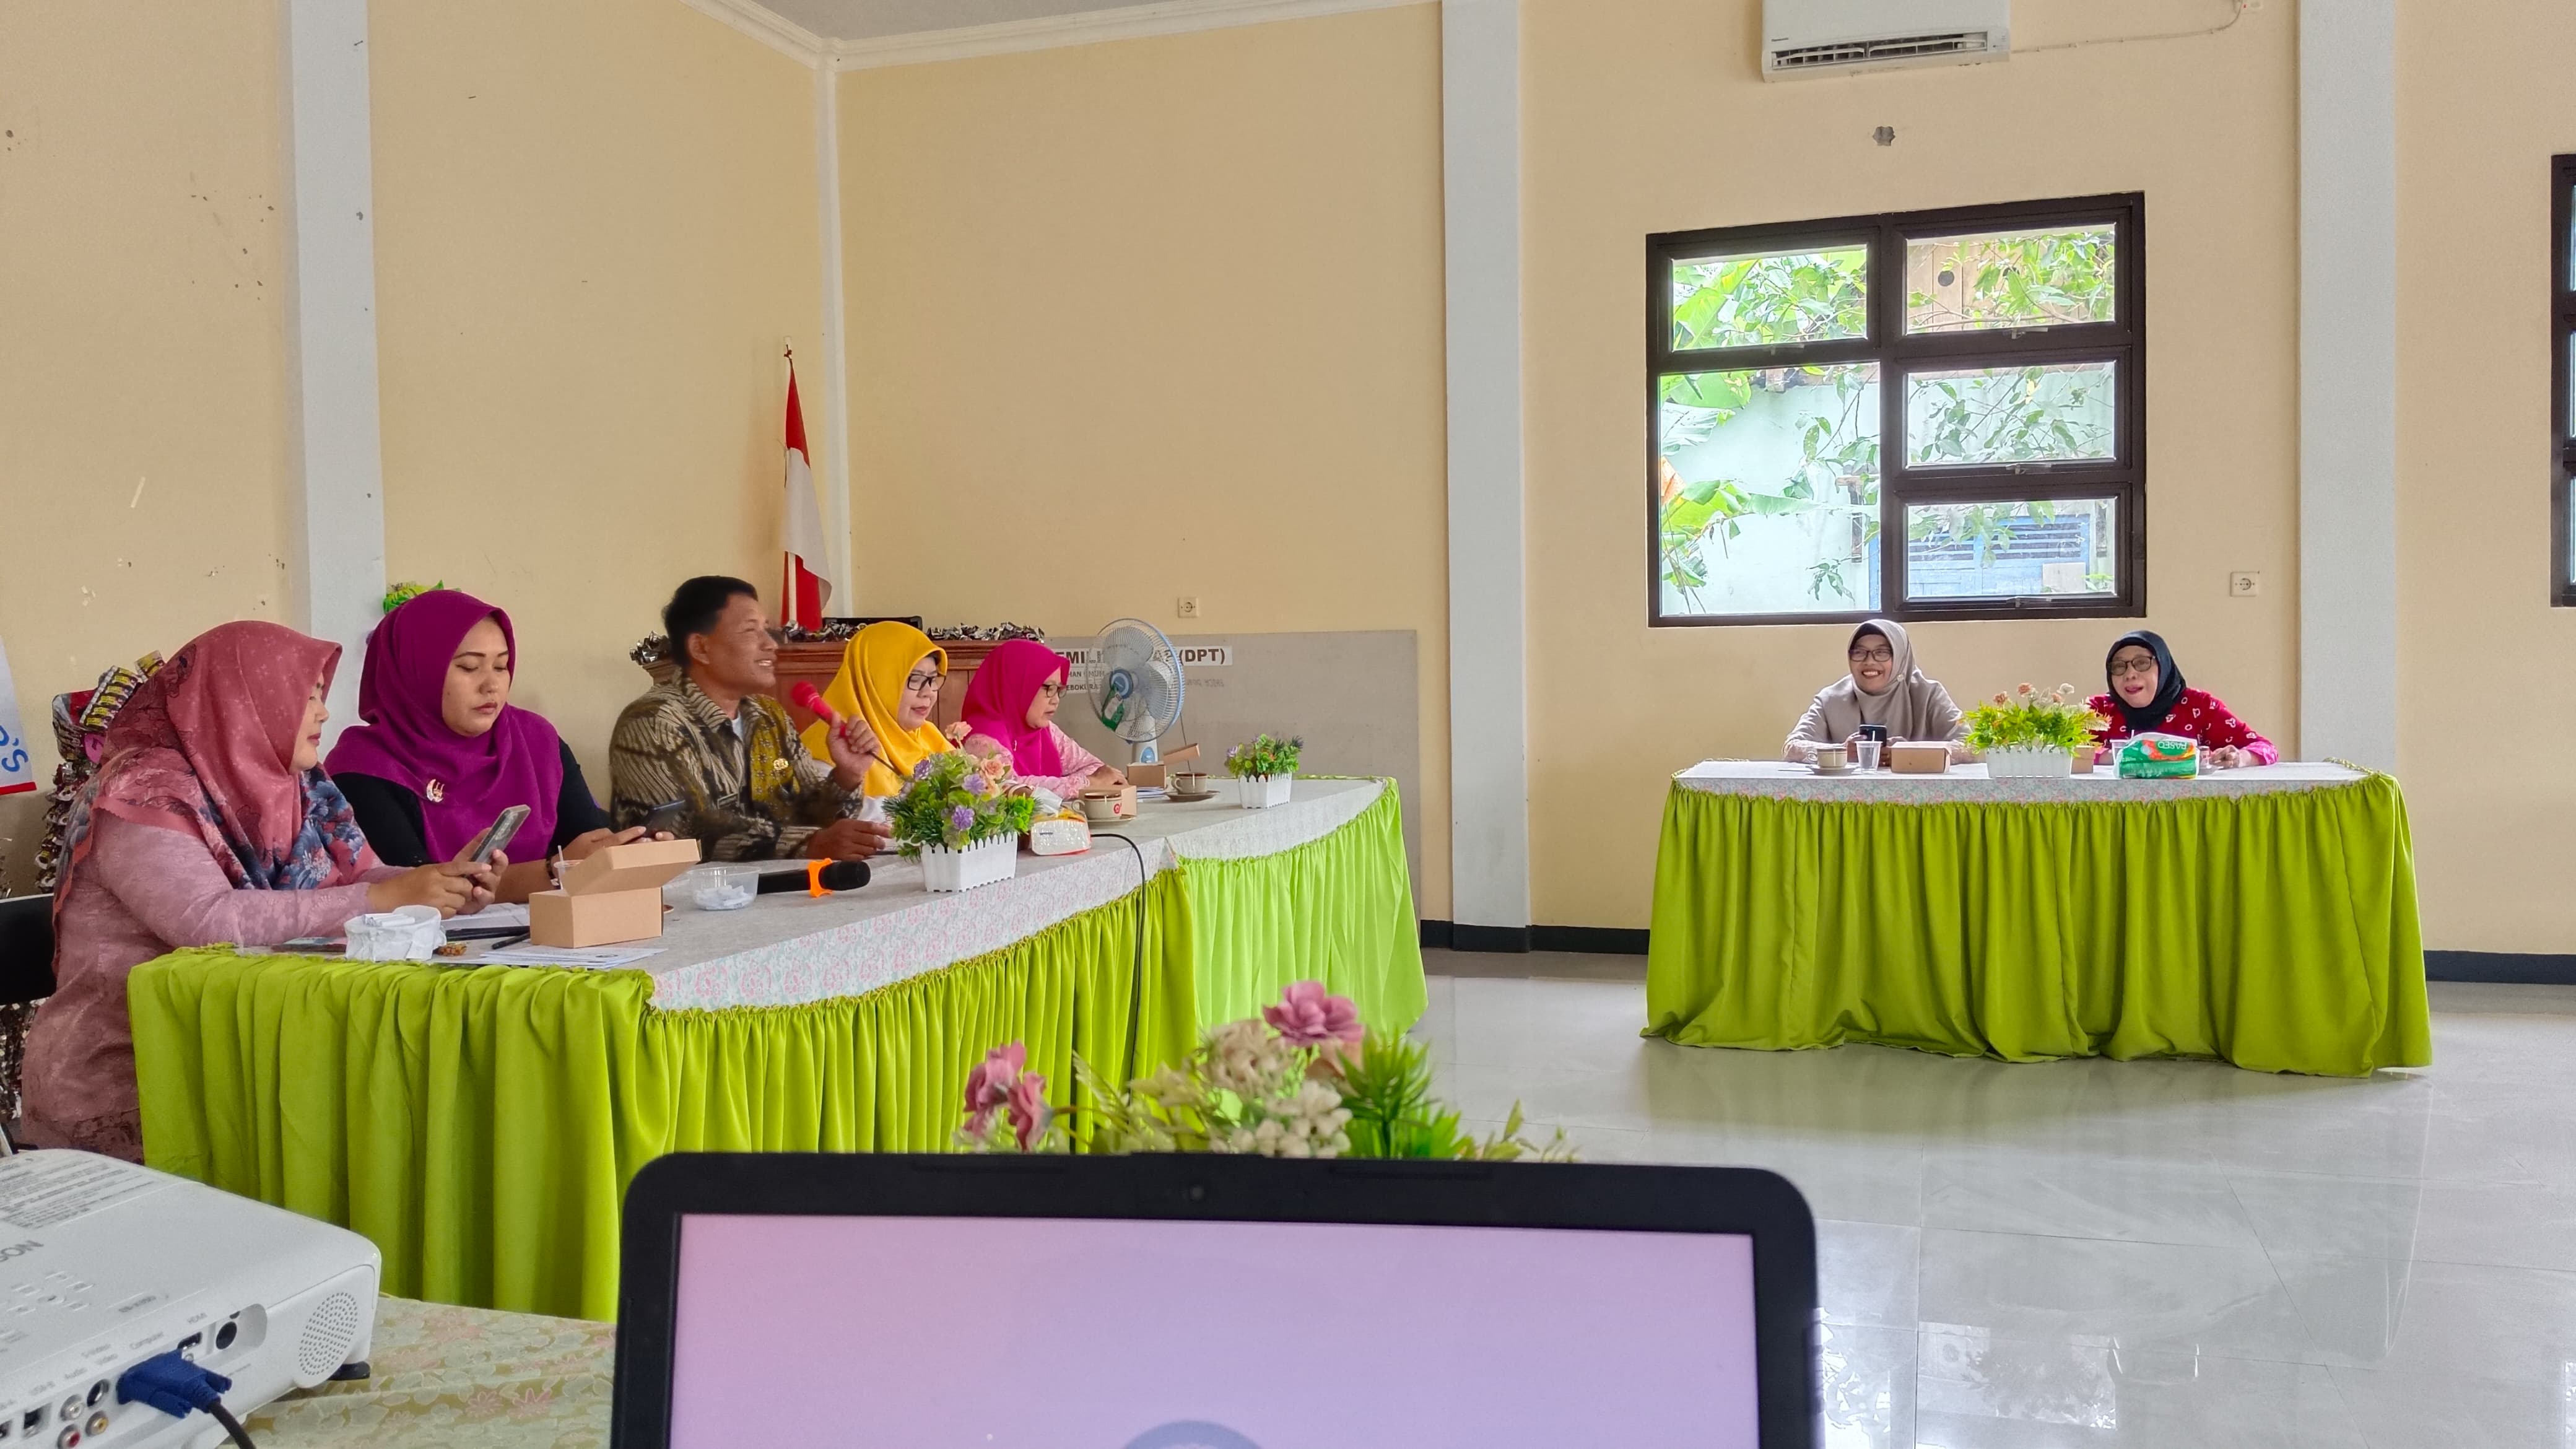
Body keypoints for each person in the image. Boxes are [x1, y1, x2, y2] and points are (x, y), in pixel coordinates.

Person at [28, 621, 495, 1160]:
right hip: (133, 1084)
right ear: (243, 699)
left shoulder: (298, 783)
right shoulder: (142, 790)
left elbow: (360, 876)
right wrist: (381, 901)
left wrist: (442, 886)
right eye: (308, 695)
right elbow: (207, 922)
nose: (323, 713)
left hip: (256, 1060)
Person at [329, 590, 660, 903]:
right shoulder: (364, 766)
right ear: (416, 671)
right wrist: (555, 872)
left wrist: (627, 848)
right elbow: (416, 890)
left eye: (501, 666)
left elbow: (586, 842)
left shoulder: (534, 741)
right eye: (469, 667)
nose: (492, 685)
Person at [609, 577, 888, 861]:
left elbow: (813, 814)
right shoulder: (653, 721)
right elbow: (689, 829)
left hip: (779, 888)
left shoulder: (770, 716)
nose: (772, 645)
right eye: (751, 631)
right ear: (701, 648)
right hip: (687, 898)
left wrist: (847, 775)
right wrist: (809, 843)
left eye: (767, 630)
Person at [802, 620, 960, 798]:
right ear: (876, 681)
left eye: (932, 679)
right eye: (915, 679)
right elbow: (830, 817)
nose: (928, 693)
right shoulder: (831, 747)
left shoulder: (929, 737)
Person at [1784, 618, 1967, 765]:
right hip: (1848, 804)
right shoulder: (1831, 699)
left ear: (1901, 658)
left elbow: (1970, 745)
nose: (1869, 662)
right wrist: (1840, 752)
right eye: (1859, 652)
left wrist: (1911, 753)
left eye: (1882, 652)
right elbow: (1792, 747)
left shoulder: (1928, 694)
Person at [955, 638, 1124, 798]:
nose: (1055, 699)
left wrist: (1089, 782)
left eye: (1058, 689)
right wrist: (1085, 784)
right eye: (1048, 688)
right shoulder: (981, 738)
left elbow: (1095, 768)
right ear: (1017, 685)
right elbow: (1008, 788)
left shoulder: (1044, 730)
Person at [2087, 630, 2277, 770]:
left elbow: (2265, 748)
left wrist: (2239, 758)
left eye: (2142, 663)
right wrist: (2122, 757)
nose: (2130, 674)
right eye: (2119, 666)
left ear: (2163, 665)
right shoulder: (2100, 711)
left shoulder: (2200, 706)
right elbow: (2063, 751)